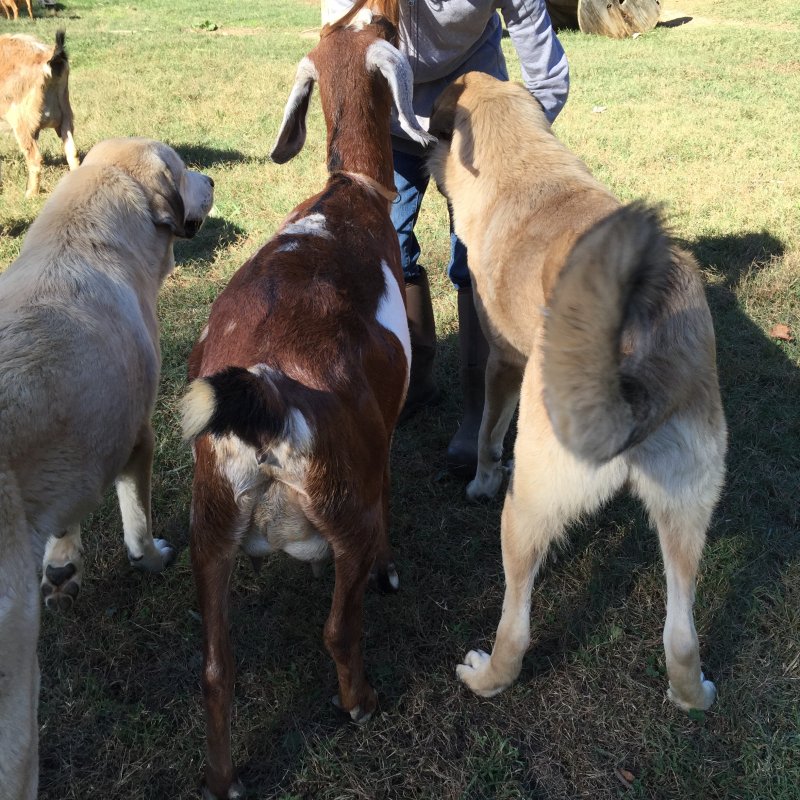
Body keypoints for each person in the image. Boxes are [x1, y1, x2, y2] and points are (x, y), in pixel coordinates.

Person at [323, 0, 569, 477]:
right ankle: (415, 376)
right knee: (389, 243)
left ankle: (479, 403)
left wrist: (522, 131)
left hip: (473, 115)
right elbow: (338, 44)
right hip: (388, 117)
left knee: (475, 255)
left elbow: (543, 61)